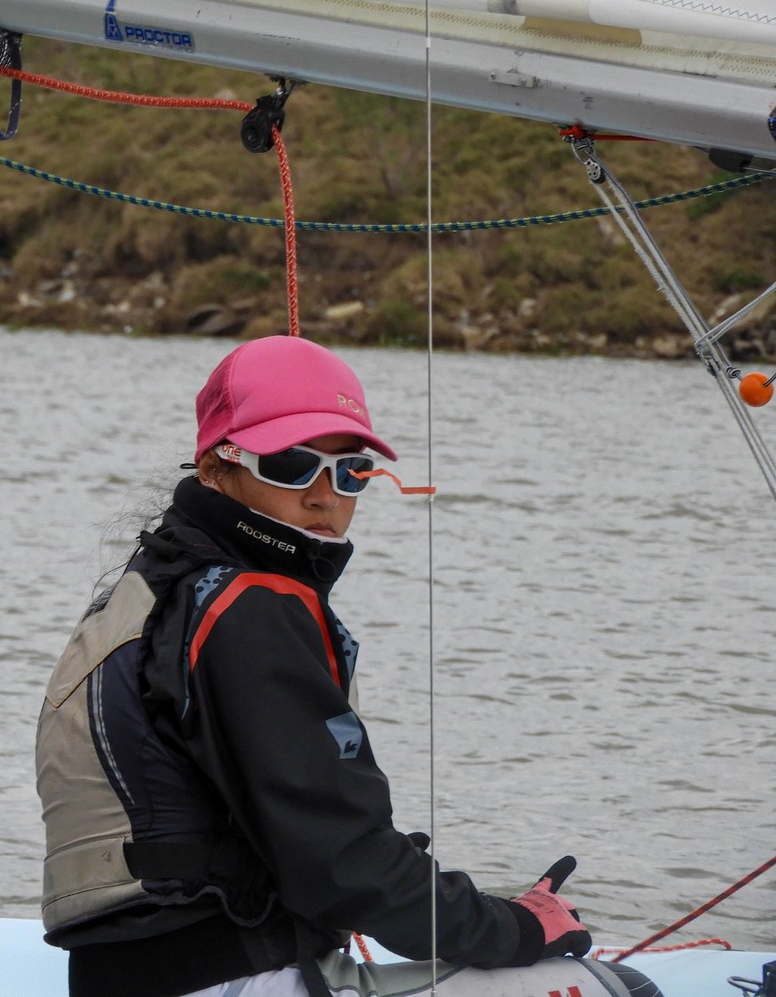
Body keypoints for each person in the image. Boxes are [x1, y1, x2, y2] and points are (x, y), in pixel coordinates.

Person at [35, 335, 660, 997]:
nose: (324, 496)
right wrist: (516, 927)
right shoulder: (245, 607)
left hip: (133, 978)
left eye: (350, 471)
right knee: (620, 989)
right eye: (288, 465)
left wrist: (399, 879)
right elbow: (345, 864)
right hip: (228, 977)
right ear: (218, 468)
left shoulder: (152, 587)